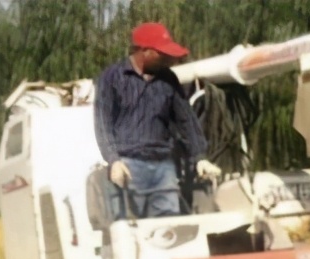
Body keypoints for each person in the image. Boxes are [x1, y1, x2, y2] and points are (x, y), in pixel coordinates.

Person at [94, 22, 221, 220]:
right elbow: (102, 125)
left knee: (169, 230)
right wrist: (113, 161)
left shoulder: (168, 79)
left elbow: (186, 119)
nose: (169, 59)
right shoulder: (112, 78)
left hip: (163, 168)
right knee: (132, 231)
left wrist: (200, 157)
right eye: (163, 54)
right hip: (128, 166)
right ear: (145, 51)